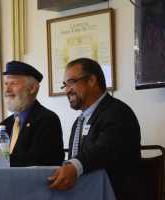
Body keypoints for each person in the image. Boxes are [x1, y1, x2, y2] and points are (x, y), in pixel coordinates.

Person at [48, 58, 141, 200]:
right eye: (64, 85)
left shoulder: (117, 112)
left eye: (72, 82)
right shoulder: (78, 122)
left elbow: (103, 150)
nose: (67, 90)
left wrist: (74, 166)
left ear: (91, 80)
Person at [0, 60, 64, 167]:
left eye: (13, 83)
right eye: (6, 84)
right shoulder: (4, 125)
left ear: (32, 88)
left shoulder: (47, 119)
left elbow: (39, 159)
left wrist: (1, 160)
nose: (7, 89)